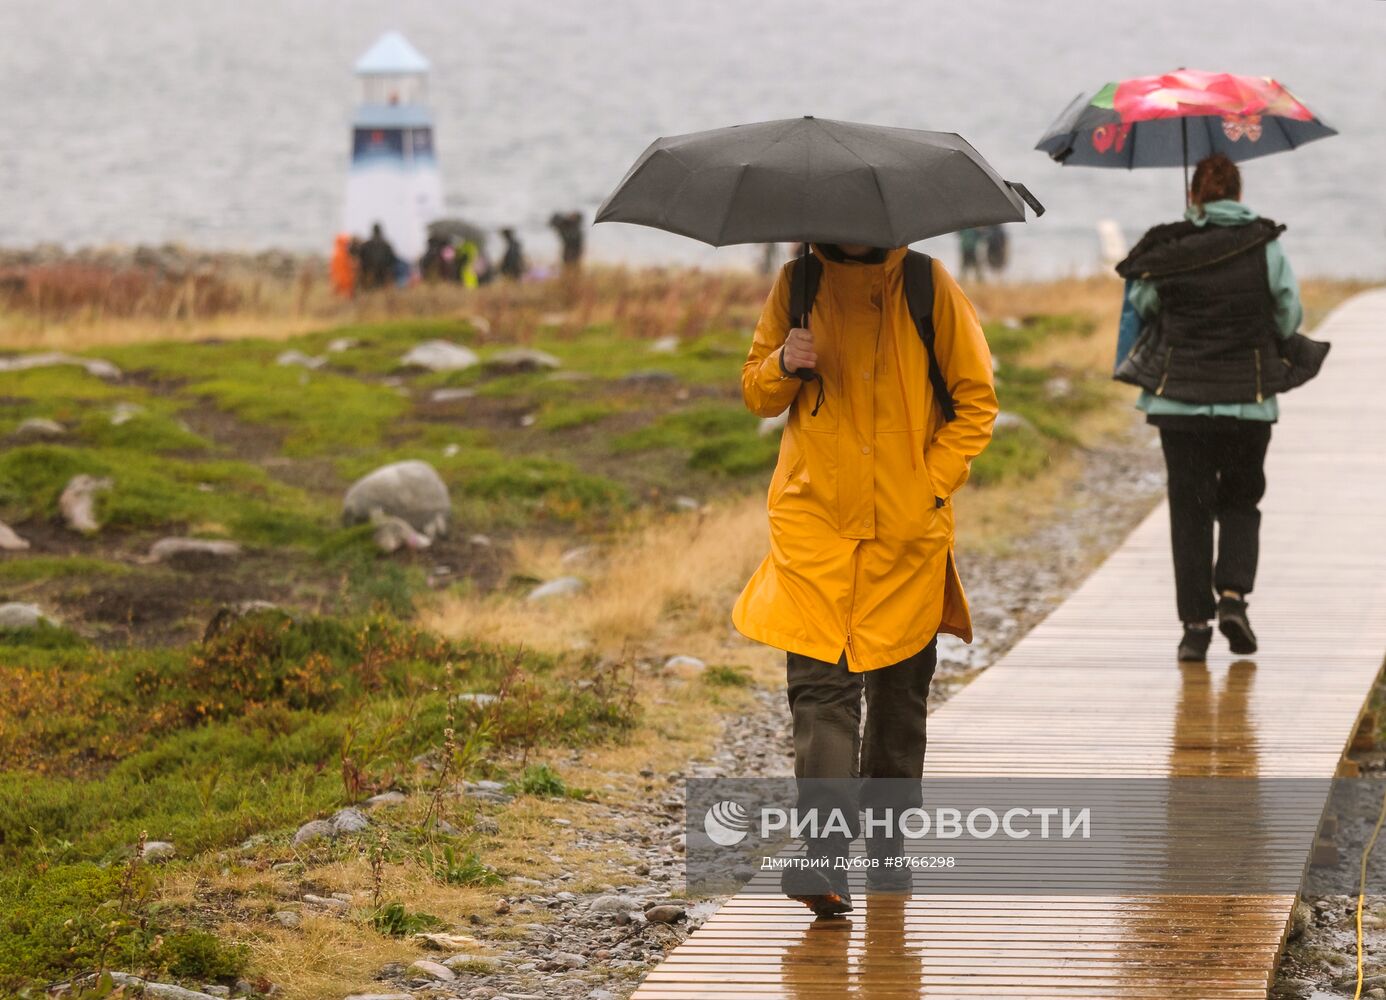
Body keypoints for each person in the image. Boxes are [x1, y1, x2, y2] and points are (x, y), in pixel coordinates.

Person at [734, 242, 998, 915]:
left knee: (898, 695)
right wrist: (782, 363)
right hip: (814, 521)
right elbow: (756, 393)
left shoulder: (923, 282)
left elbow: (976, 403)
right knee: (820, 686)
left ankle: (886, 846)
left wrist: (928, 485)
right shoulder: (798, 282)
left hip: (905, 534)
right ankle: (822, 860)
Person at [1115, 154, 1303, 663]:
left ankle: (1194, 628)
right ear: (1239, 196)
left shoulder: (1173, 247)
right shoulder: (1267, 245)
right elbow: (1289, 314)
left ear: (1194, 196)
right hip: (1249, 400)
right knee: (1242, 501)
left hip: (1180, 404)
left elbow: (1146, 305)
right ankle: (1234, 597)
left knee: (1190, 513)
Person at [358, 222, 399, 290]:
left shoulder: (366, 245)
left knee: (370, 294)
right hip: (384, 275)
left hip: (369, 275)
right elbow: (393, 260)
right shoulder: (386, 244)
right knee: (382, 294)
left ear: (372, 231)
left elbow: (361, 259)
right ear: (380, 231)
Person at [329, 233, 357, 298]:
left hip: (339, 282)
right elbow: (351, 267)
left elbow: (332, 270)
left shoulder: (335, 254)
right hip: (345, 283)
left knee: (338, 299)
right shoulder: (345, 254)